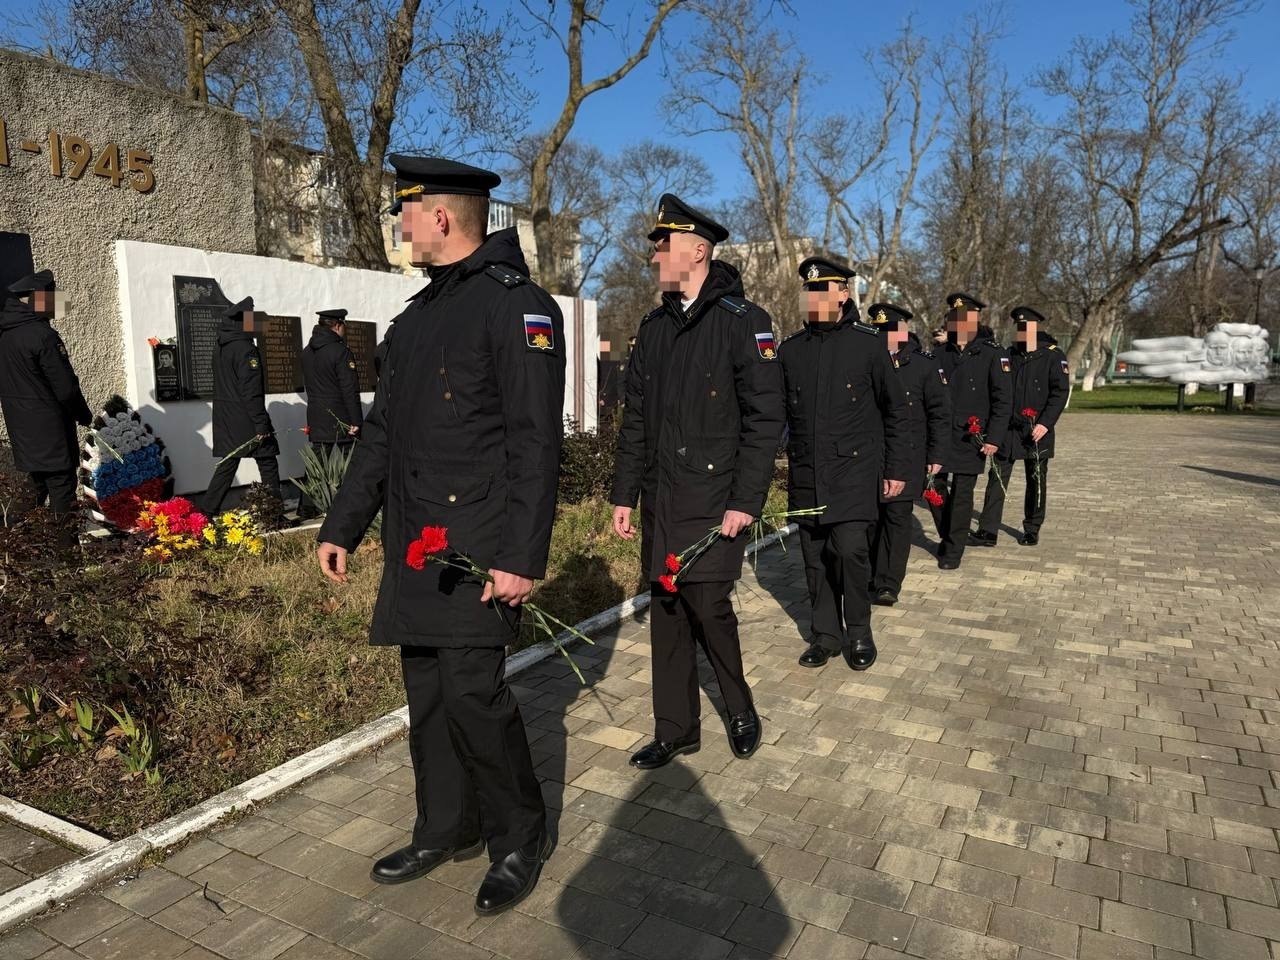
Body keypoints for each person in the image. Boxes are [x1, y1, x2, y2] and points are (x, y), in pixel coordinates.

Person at [316, 155, 565, 916]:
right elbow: (383, 436)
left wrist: (521, 557)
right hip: (417, 547)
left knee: (473, 694)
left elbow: (534, 442)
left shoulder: (517, 307)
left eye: (407, 211)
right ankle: (443, 828)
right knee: (426, 693)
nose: (400, 225)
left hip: (478, 549)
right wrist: (344, 525)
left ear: (442, 217)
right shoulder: (417, 318)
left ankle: (519, 836)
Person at [611, 193, 784, 770]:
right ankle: (677, 728)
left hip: (714, 501)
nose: (655, 253)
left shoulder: (745, 324)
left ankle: (739, 707)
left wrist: (745, 502)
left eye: (664, 243)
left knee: (709, 606)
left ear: (699, 250)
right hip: (663, 498)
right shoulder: (654, 328)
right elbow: (635, 418)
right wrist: (623, 493)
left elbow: (765, 422)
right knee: (667, 610)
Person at [780, 261, 909, 669]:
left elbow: (897, 411)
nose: (814, 298)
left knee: (851, 552)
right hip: (806, 473)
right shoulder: (790, 350)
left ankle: (859, 632)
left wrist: (896, 469)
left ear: (843, 295)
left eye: (824, 289)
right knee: (814, 557)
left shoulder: (869, 344)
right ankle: (826, 636)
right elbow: (778, 413)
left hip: (854, 473)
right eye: (809, 290)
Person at [870, 308, 951, 605]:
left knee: (896, 518)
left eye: (891, 331)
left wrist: (938, 453)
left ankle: (887, 582)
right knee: (871, 519)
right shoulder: (866, 361)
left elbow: (940, 414)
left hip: (909, 456)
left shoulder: (923, 366)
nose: (885, 338)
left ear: (903, 332)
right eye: (880, 332)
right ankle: (868, 573)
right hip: (870, 456)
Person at [973, 306, 1070, 547]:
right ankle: (988, 530)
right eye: (1019, 328)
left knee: (1035, 480)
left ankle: (1032, 527)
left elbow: (1059, 393)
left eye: (1027, 328)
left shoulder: (1053, 355)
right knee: (996, 478)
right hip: (1007, 429)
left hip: (1036, 430)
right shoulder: (1009, 354)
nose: (1023, 332)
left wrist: (1045, 423)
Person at [0, 269, 92, 524]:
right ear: (38, 298)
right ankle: (68, 557)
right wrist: (83, 414)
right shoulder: (43, 335)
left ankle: (11, 543)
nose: (57, 302)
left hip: (22, 428)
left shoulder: (6, 335)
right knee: (62, 488)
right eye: (51, 296)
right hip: (50, 428)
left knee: (36, 485)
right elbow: (65, 387)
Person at [928, 293, 1011, 570]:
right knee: (932, 488)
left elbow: (1002, 400)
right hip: (938, 433)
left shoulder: (992, 354)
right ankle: (949, 533)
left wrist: (994, 438)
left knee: (962, 493)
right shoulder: (938, 354)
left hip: (970, 436)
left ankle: (953, 549)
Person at [199, 298, 281, 516]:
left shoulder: (221, 346)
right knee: (268, 461)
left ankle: (205, 512)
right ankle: (275, 514)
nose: (257, 324)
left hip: (226, 417)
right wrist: (261, 423)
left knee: (227, 465)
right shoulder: (246, 350)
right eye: (253, 319)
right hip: (246, 418)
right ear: (244, 322)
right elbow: (251, 391)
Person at [298, 308, 363, 519]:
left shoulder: (308, 351)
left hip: (316, 414)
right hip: (339, 417)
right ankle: (350, 506)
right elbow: (349, 389)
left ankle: (306, 507)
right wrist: (355, 420)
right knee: (350, 461)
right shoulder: (340, 351)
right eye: (344, 325)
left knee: (317, 462)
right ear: (337, 325)